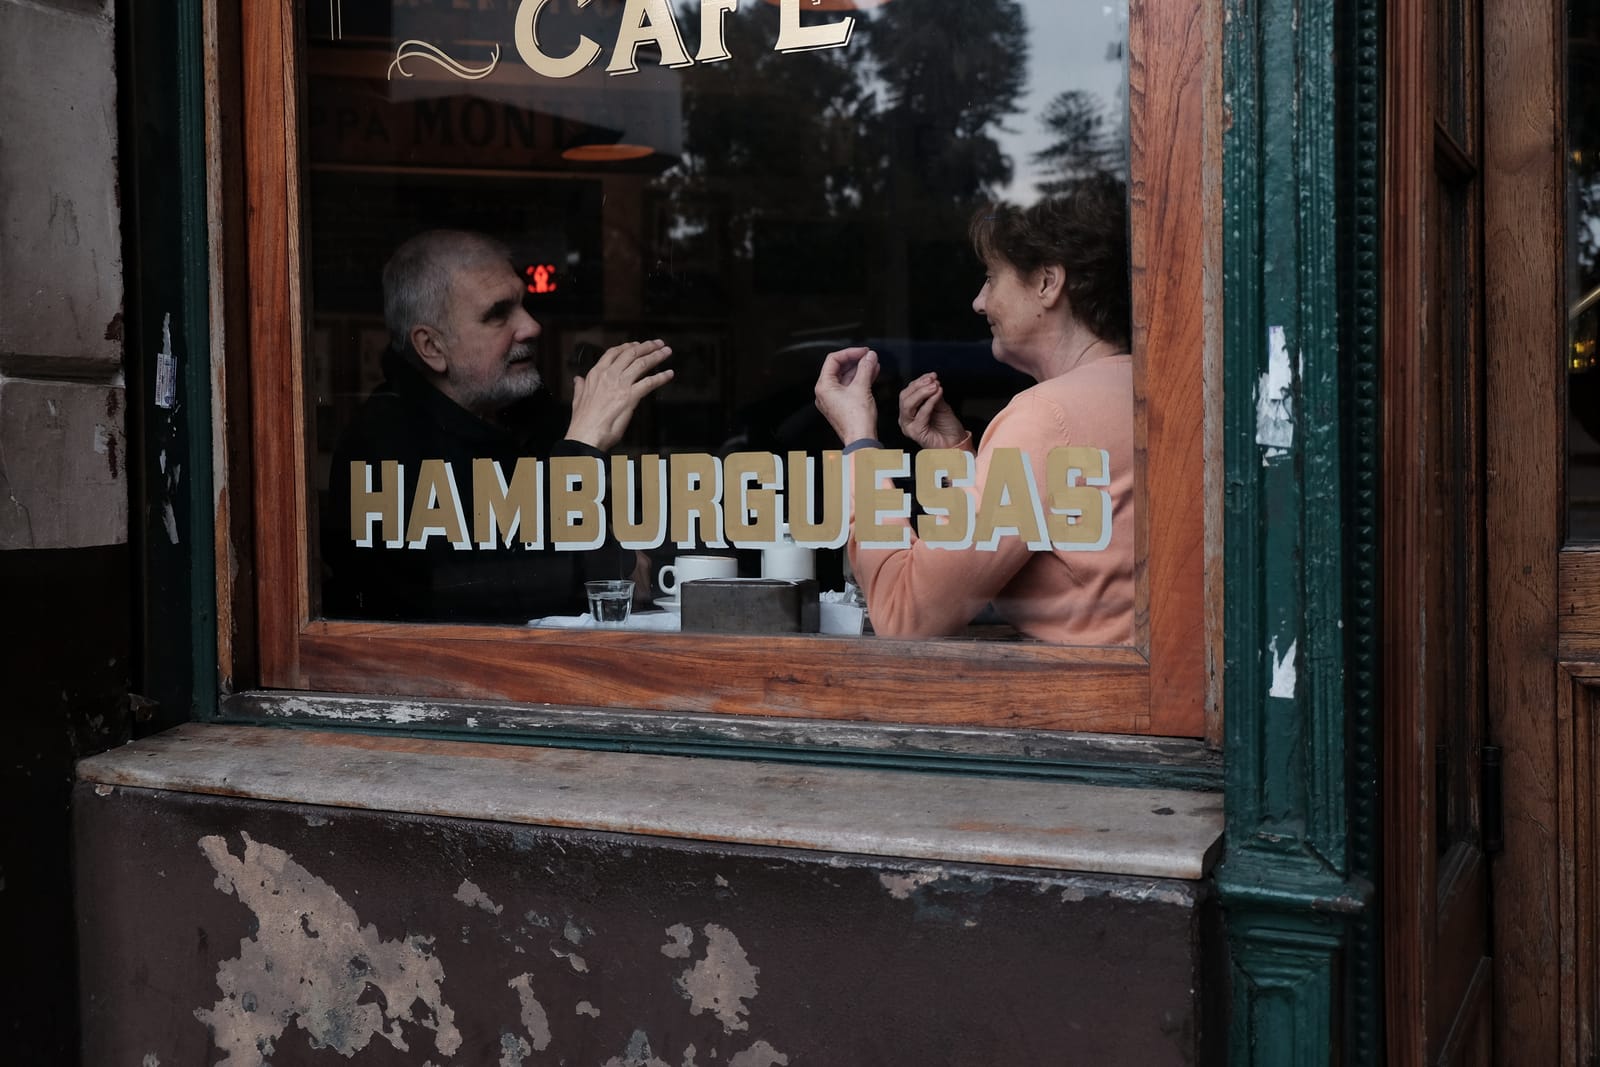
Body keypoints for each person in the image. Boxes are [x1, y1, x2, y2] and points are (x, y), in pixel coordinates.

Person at [812, 177, 1134, 644]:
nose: (978, 302)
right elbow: (985, 561)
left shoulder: (1045, 417)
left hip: (1081, 710)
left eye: (990, 277)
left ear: (1047, 282)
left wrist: (860, 442)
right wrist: (950, 457)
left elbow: (906, 615)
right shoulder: (1138, 391)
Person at [323, 229, 673, 623]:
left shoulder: (538, 420)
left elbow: (625, 555)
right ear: (432, 347)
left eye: (523, 304)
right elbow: (466, 594)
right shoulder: (383, 445)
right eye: (498, 314)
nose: (531, 326)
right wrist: (579, 450)